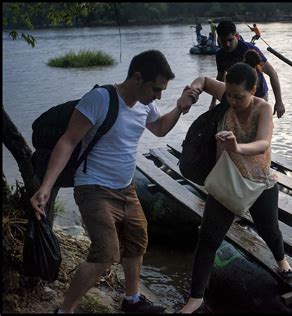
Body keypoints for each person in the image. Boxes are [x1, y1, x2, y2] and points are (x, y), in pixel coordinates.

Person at [30, 50, 200, 314]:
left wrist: (179, 107)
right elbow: (68, 141)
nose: (159, 95)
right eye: (156, 89)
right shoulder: (99, 99)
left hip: (126, 188)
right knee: (107, 253)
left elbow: (160, 129)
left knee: (137, 240)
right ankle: (65, 310)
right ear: (137, 78)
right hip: (93, 188)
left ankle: (131, 300)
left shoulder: (145, 105)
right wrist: (46, 186)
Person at [178, 62, 292, 313]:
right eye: (228, 95)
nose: (232, 100)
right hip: (227, 180)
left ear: (253, 90)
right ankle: (196, 298)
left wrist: (237, 147)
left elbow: (263, 143)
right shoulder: (228, 96)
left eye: (239, 96)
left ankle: (282, 261)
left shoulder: (263, 108)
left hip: (259, 181)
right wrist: (191, 93)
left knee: (269, 228)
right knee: (208, 239)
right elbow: (205, 81)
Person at [210, 21, 286, 119]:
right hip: (237, 97)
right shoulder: (220, 55)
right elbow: (220, 77)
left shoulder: (249, 50)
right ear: (219, 39)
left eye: (230, 40)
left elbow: (272, 73)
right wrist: (213, 102)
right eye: (223, 41)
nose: (227, 44)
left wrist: (279, 102)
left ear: (236, 36)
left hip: (258, 95)